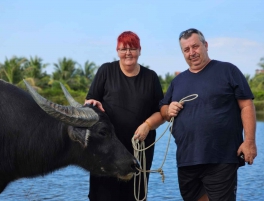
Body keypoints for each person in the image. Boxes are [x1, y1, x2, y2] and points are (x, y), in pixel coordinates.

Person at [159, 28, 257, 201]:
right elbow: (163, 110)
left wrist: (249, 141)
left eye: (195, 46)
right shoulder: (178, 81)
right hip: (187, 160)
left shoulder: (228, 71)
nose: (191, 53)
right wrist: (168, 110)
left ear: (205, 45)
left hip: (221, 158)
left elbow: (247, 106)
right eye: (186, 50)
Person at [85, 31, 165, 201]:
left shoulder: (151, 77)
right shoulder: (106, 71)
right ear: (117, 51)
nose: (128, 53)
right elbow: (90, 102)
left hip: (139, 151)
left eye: (132, 48)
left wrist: (148, 125)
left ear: (140, 50)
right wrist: (93, 105)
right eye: (123, 49)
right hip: (106, 151)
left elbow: (162, 113)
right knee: (103, 196)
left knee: (135, 197)